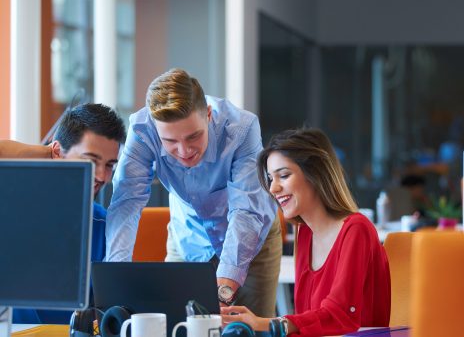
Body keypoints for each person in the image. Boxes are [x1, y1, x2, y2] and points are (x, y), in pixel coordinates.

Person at [105, 68, 281, 317]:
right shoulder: (142, 130)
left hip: (252, 239)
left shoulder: (242, 128)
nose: (184, 150)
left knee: (248, 329)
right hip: (187, 235)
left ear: (208, 115)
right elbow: (127, 203)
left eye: (193, 136)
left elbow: (247, 212)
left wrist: (224, 289)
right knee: (175, 324)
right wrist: (117, 281)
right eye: (170, 142)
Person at [222, 128, 391, 336]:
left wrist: (266, 324)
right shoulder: (304, 233)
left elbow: (340, 315)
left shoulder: (357, 229)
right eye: (270, 179)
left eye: (283, 176)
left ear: (315, 174)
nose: (273, 188)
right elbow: (307, 318)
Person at [0, 103, 126, 323]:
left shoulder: (104, 225)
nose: (101, 176)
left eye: (109, 165)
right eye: (91, 160)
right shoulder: (13, 211)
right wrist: (47, 152)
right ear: (57, 152)